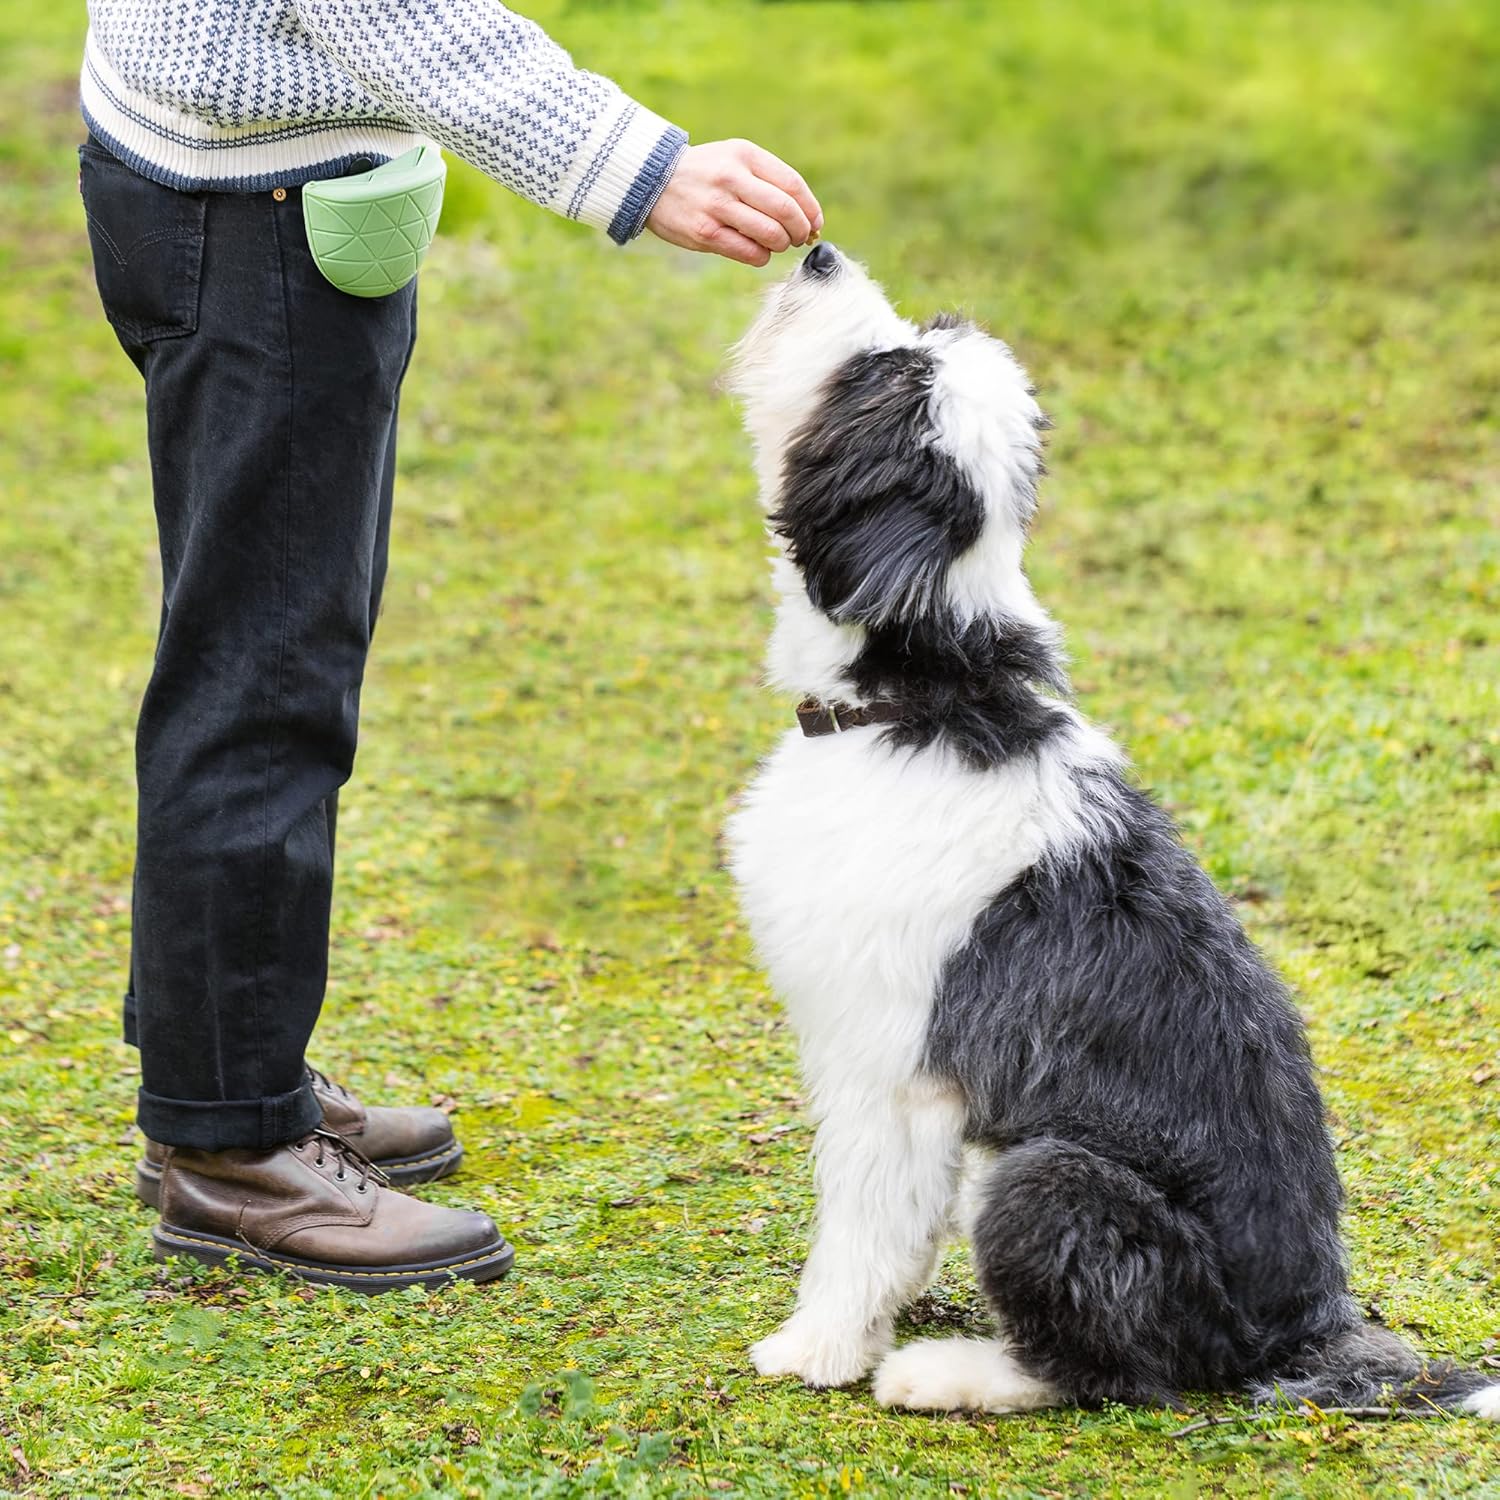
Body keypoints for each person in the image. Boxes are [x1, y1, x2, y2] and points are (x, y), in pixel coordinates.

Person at [78, 0, 822, 1292]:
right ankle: (232, 1145)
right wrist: (638, 165)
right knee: (262, 680)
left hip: (198, 171)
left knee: (251, 651)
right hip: (253, 225)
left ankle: (226, 1071)